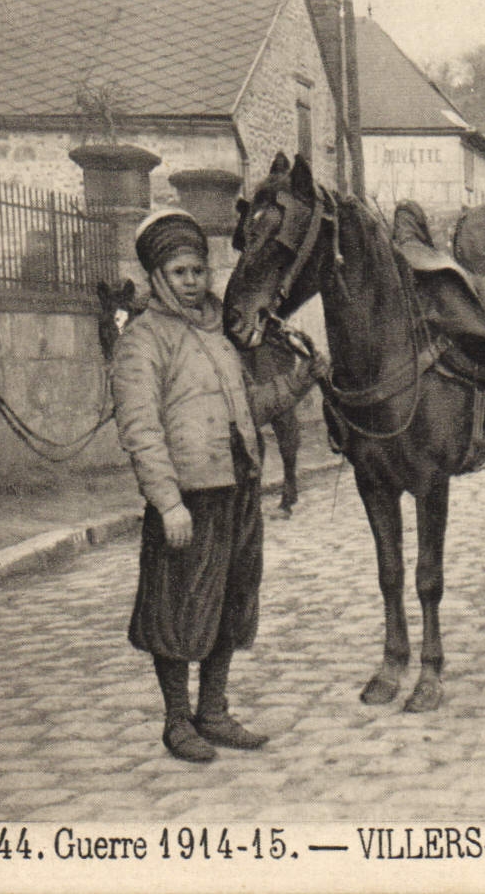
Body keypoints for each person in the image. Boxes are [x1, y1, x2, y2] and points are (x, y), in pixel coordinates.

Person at [111, 208, 325, 763]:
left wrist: (302, 380)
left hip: (239, 487)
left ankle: (213, 712)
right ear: (157, 276)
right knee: (177, 607)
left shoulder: (219, 337)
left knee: (232, 601)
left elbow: (249, 407)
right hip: (189, 499)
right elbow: (140, 430)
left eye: (198, 271)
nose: (191, 282)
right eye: (179, 272)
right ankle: (177, 721)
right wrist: (168, 503)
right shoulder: (143, 341)